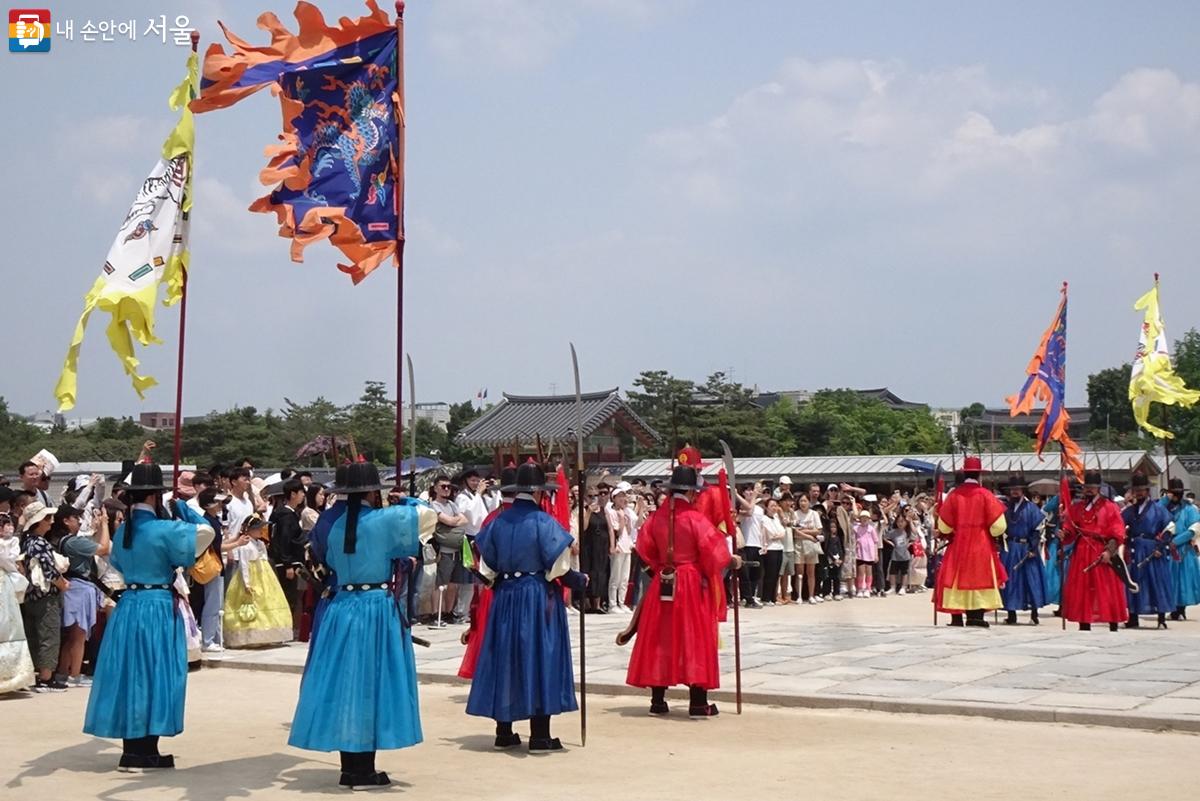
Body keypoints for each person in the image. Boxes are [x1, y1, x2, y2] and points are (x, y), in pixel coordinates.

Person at [289, 462, 436, 790]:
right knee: (372, 684)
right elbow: (429, 517)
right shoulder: (386, 520)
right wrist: (405, 500)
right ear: (373, 491)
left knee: (345, 684)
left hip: (341, 607)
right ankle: (364, 770)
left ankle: (349, 766)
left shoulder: (333, 526)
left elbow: (325, 560)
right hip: (375, 608)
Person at [82, 463, 214, 771]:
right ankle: (147, 750)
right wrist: (182, 505)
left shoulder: (124, 529)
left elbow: (115, 560)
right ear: (157, 495)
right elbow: (208, 533)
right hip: (156, 605)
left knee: (130, 674)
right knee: (155, 674)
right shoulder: (165, 528)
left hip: (129, 605)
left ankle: (132, 750)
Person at [466, 463, 584, 752]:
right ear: (538, 493)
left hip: (505, 596)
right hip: (536, 596)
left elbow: (486, 570)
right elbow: (558, 569)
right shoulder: (544, 523)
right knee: (540, 655)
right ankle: (540, 735)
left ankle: (503, 731)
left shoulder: (497, 523)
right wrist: (580, 580)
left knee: (505, 655)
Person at [626, 465, 739, 716]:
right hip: (690, 581)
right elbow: (713, 553)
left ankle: (657, 701)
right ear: (690, 493)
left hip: (663, 581)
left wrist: (660, 569)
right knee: (695, 636)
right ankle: (698, 702)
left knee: (660, 637)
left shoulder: (656, 519)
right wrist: (731, 560)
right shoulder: (696, 519)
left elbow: (644, 549)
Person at [933, 457, 1007, 628]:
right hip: (981, 545)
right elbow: (999, 526)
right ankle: (976, 615)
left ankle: (957, 618)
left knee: (956, 578)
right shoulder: (987, 496)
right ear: (980, 475)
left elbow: (944, 527)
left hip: (959, 543)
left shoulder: (954, 496)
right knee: (980, 577)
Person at [458, 466, 517, 680]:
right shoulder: (527, 516)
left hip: (493, 581)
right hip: (517, 584)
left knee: (489, 628)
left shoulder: (493, 516)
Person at [49, 505, 109, 686]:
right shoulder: (73, 542)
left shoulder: (65, 541)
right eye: (76, 518)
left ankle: (63, 673)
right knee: (79, 635)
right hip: (79, 589)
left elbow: (94, 545)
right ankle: (74, 675)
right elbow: (103, 548)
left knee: (73, 635)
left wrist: (98, 528)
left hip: (74, 588)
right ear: (66, 521)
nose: (79, 521)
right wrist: (105, 524)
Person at [1061, 471, 1127, 632]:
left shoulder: (1110, 507)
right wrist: (1064, 533)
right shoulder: (1077, 507)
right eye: (1086, 487)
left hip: (1101, 550)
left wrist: (1109, 552)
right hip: (1082, 552)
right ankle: (1084, 622)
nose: (1089, 490)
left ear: (1099, 488)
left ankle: (1112, 622)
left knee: (1106, 587)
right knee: (1082, 588)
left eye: (1092, 487)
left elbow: (1117, 533)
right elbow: (1070, 528)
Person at [19, 501, 69, 692]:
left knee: (33, 635)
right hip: (46, 596)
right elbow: (49, 570)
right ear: (38, 522)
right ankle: (46, 678)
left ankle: (35, 675)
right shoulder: (40, 543)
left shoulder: (26, 541)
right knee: (49, 634)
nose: (51, 522)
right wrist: (63, 584)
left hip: (30, 596)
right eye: (47, 518)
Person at [222, 515, 293, 647]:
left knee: (267, 602)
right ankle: (248, 636)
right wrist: (247, 583)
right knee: (250, 604)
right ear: (249, 530)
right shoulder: (245, 544)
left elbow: (264, 558)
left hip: (263, 574)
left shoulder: (260, 543)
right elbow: (243, 564)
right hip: (251, 573)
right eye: (258, 528)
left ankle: (268, 634)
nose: (261, 530)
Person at [1122, 472, 1175, 629]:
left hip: (1152, 548)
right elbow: (1118, 525)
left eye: (1142, 489)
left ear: (1147, 491)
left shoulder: (1158, 509)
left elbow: (1170, 528)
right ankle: (1133, 616)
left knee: (1156, 581)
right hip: (1135, 548)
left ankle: (1161, 617)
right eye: (1136, 490)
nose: (1139, 492)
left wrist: (1161, 545)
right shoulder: (1129, 510)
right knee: (1134, 581)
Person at [999, 476, 1047, 625]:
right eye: (1012, 489)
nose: (1014, 492)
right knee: (1011, 580)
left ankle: (1034, 613)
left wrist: (1033, 547)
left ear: (1022, 490)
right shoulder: (1005, 508)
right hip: (1011, 547)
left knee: (1031, 580)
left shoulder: (1031, 508)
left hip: (1027, 547)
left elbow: (1037, 530)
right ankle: (1011, 612)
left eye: (1017, 489)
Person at [0, 497, 35, 693]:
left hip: (4, 584)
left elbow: (9, 561)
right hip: (4, 581)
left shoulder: (12, 542)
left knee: (9, 627)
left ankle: (12, 677)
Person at [268, 478, 308, 633]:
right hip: (287, 563)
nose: (303, 496)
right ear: (293, 494)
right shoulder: (285, 515)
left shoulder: (285, 513)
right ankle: (285, 629)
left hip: (289, 561)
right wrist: (288, 564)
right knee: (287, 596)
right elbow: (284, 541)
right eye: (301, 493)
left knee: (291, 596)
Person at [1161, 478, 1200, 621]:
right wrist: (1166, 499)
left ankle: (1181, 609)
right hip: (1166, 548)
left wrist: (1176, 542)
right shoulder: (1164, 508)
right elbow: (1155, 514)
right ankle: (1171, 607)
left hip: (1183, 549)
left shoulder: (1190, 509)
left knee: (1184, 580)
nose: (1176, 496)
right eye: (1173, 493)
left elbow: (1193, 529)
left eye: (1178, 493)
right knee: (1169, 580)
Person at [606, 484, 637, 613]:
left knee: (624, 577)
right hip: (618, 546)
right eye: (619, 496)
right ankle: (612, 604)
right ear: (614, 498)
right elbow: (615, 531)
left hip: (626, 545)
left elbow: (629, 530)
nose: (623, 499)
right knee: (615, 576)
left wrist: (626, 518)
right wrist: (620, 518)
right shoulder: (611, 511)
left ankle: (622, 602)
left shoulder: (626, 512)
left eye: (624, 496)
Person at [885, 511, 913, 596]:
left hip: (905, 555)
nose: (900, 524)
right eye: (898, 521)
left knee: (904, 572)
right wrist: (891, 543)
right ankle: (893, 587)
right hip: (895, 555)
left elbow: (915, 537)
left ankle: (903, 587)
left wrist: (910, 543)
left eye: (902, 521)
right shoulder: (893, 532)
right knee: (893, 572)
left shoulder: (908, 532)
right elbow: (885, 537)